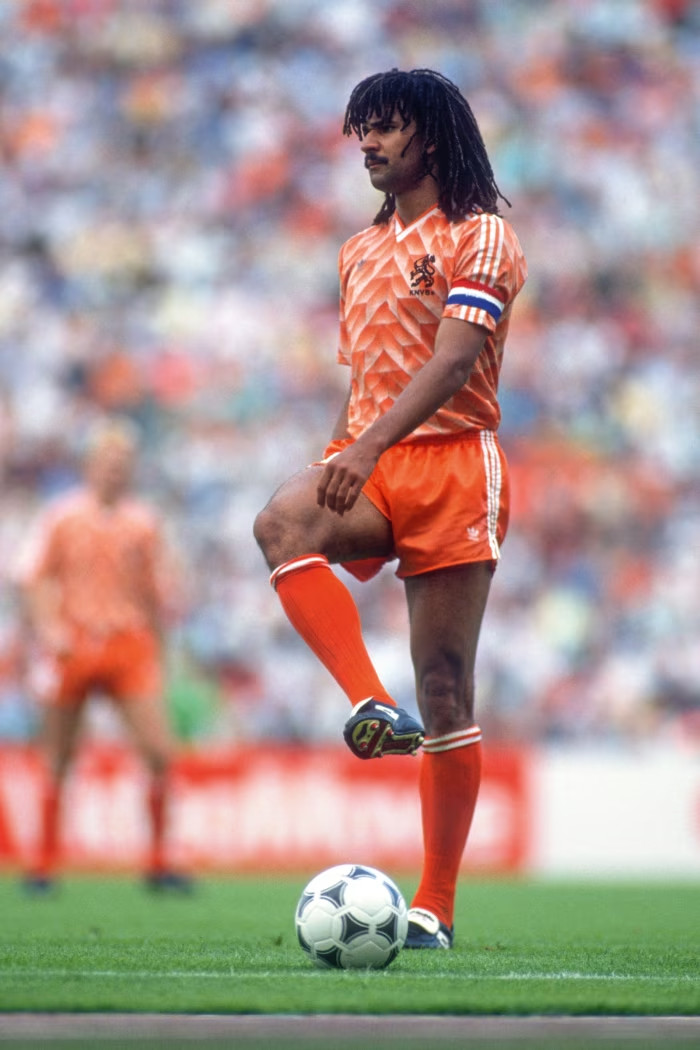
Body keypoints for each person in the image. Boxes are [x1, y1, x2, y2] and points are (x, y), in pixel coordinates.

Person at [254, 68, 527, 948]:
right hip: (375, 460)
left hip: (454, 466)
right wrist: (340, 455)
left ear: (433, 138)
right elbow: (365, 380)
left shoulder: (483, 237)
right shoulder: (356, 251)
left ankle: (435, 908)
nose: (365, 144)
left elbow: (452, 363)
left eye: (385, 128)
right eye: (360, 130)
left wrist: (364, 449)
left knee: (447, 686)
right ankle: (373, 705)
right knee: (282, 521)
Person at [19, 418, 191, 893]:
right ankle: (43, 864)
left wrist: (161, 647)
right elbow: (32, 577)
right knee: (58, 754)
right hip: (73, 641)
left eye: (122, 464)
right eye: (107, 463)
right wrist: (49, 628)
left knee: (159, 752)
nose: (115, 472)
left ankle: (159, 861)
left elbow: (158, 592)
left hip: (128, 642)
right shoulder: (62, 516)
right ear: (89, 466)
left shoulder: (145, 522)